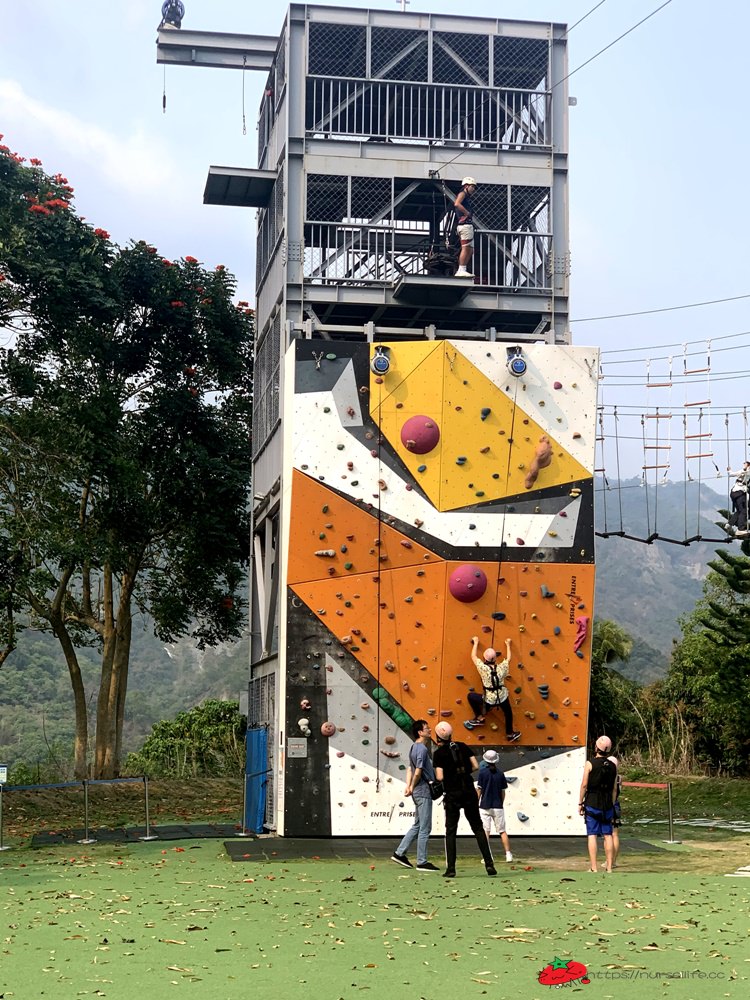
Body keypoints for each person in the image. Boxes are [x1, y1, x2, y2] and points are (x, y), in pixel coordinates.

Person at [432, 721, 497, 878]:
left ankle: (451, 869)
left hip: (453, 794)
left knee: (451, 831)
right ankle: (489, 864)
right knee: (478, 828)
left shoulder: (439, 754)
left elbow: (440, 776)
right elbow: (475, 766)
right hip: (468, 791)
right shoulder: (462, 746)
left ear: (438, 736)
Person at [391, 720, 440, 871]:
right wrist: (411, 786)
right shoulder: (422, 749)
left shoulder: (414, 747)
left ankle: (400, 853)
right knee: (425, 827)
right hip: (423, 791)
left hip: (417, 791)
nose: (430, 730)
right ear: (420, 732)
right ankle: (422, 861)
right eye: (427, 728)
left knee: (418, 825)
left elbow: (409, 769)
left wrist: (409, 786)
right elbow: (417, 771)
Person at [465, 636, 521, 742]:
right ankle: (510, 733)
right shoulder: (502, 667)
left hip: (489, 699)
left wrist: (476, 642)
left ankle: (479, 717)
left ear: (485, 659)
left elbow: (473, 656)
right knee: (508, 713)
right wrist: (508, 644)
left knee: (470, 696)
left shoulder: (483, 668)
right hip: (502, 697)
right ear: (495, 659)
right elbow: (509, 658)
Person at [578, 735, 617, 873]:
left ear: (596, 747)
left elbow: (584, 785)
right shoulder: (613, 766)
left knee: (592, 834)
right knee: (608, 834)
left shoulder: (590, 763)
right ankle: (609, 867)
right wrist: (612, 804)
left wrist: (579, 802)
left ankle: (594, 867)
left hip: (592, 802)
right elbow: (614, 788)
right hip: (607, 804)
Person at [477, 749, 513, 862]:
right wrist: (500, 803)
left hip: (485, 806)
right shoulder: (501, 774)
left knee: (486, 832)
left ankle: (487, 856)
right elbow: (503, 792)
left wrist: (475, 802)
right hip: (497, 806)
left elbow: (479, 790)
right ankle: (508, 854)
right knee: (502, 831)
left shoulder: (482, 773)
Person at [453, 177, 477, 278]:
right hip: (465, 225)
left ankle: (463, 269)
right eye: (472, 187)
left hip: (467, 225)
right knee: (466, 248)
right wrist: (466, 213)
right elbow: (457, 203)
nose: (473, 189)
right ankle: (461, 269)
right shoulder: (462, 193)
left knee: (470, 249)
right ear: (466, 186)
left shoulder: (466, 196)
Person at [726, 461, 750, 535]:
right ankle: (740, 529)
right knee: (744, 511)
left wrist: (729, 470)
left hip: (734, 492)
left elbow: (731, 474)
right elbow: (746, 472)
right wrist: (746, 468)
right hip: (739, 493)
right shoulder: (746, 471)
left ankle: (729, 524)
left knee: (740, 511)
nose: (744, 464)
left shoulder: (743, 471)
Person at [608, 754, 622, 868]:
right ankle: (614, 861)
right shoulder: (619, 777)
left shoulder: (607, 776)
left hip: (608, 805)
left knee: (608, 835)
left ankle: (609, 861)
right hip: (617, 804)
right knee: (615, 834)